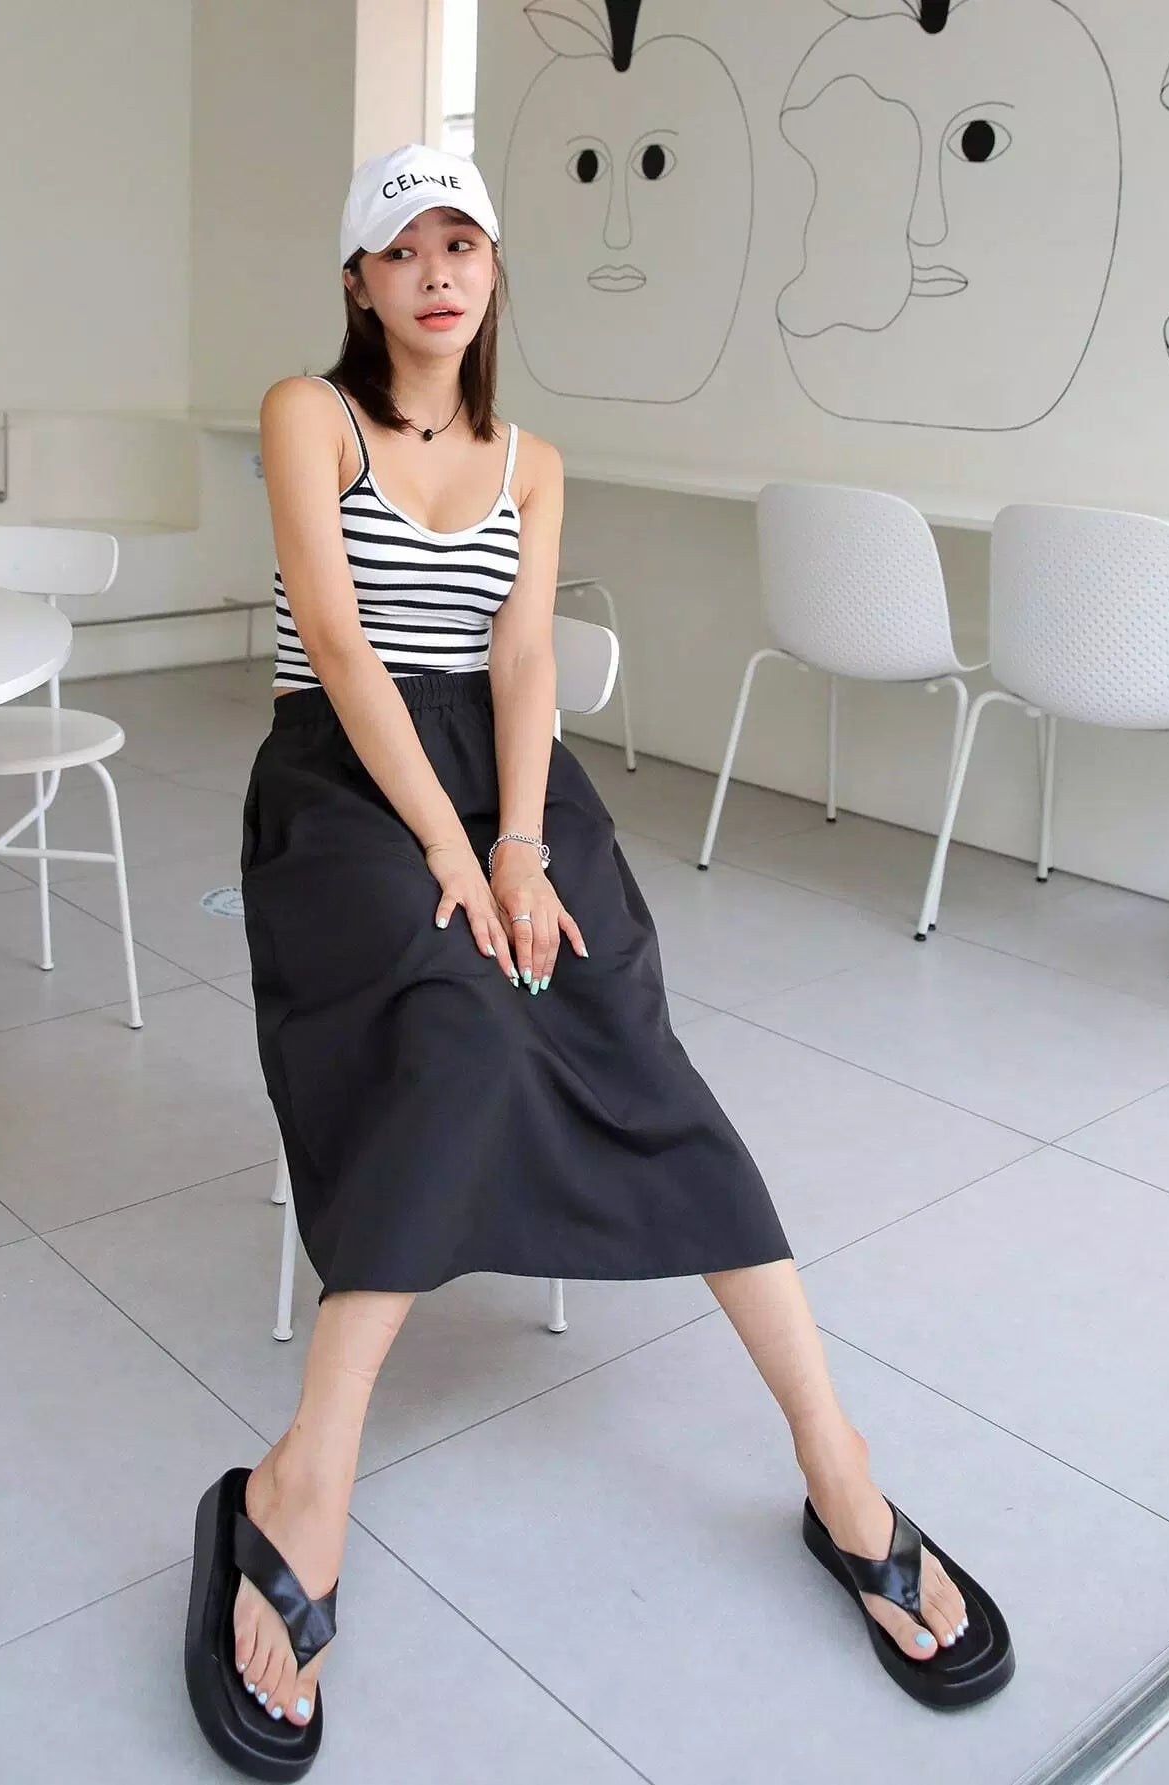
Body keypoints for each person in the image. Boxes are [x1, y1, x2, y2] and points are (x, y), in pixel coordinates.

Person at [183, 143, 1013, 1779]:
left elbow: (521, 657)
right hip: (348, 780)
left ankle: (836, 1462)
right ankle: (300, 1479)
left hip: (510, 790)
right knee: (455, 1028)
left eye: (463, 243)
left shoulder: (535, 461)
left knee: (631, 1045)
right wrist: (446, 850)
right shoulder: (309, 414)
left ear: (493, 272)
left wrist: (517, 844)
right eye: (404, 248)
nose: (437, 271)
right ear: (359, 281)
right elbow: (339, 645)